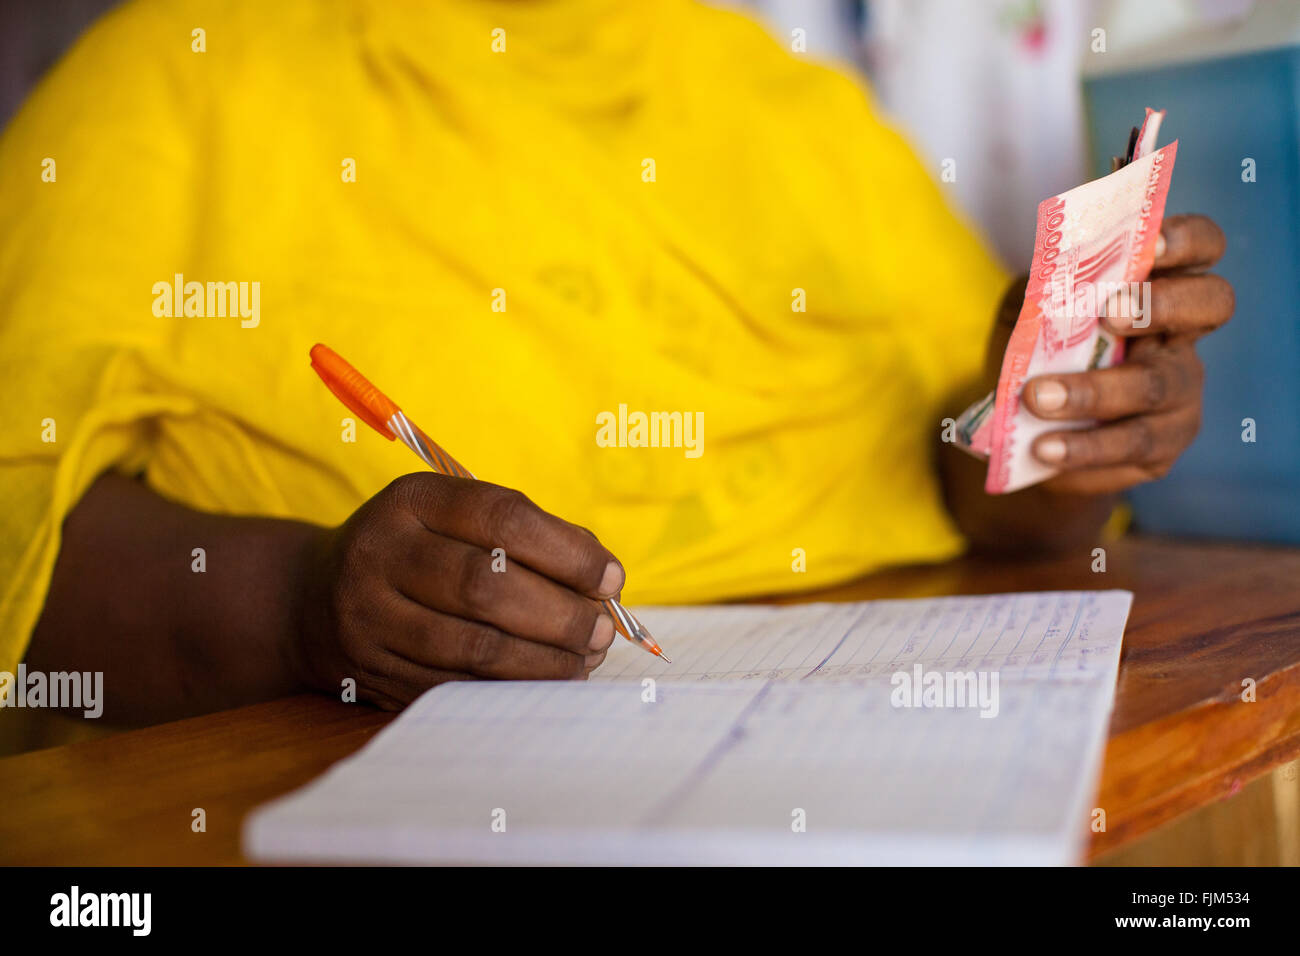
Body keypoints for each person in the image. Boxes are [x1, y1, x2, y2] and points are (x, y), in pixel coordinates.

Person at [0, 0, 1232, 725]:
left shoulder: (793, 108)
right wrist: (297, 609)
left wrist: (1065, 417)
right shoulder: (178, 76)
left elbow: (985, 503)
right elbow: (20, 562)